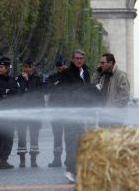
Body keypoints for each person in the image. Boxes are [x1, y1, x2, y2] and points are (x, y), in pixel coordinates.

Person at [55, 49, 101, 182]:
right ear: (72, 59)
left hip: (83, 113)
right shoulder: (66, 74)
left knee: (81, 143)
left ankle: (78, 169)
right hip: (70, 113)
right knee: (71, 142)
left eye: (81, 58)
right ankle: (70, 170)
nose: (79, 60)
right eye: (77, 58)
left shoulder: (85, 73)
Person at [0, 57, 19, 169]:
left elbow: (15, 92)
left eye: (1, 67)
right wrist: (6, 91)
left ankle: (5, 159)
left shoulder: (12, 80)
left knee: (8, 137)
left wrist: (4, 93)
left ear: (7, 69)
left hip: (9, 114)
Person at [15, 58, 45, 168]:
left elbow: (38, 95)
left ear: (32, 68)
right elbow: (18, 93)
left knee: (34, 137)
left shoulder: (37, 80)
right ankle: (22, 160)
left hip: (35, 113)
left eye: (29, 67)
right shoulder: (18, 79)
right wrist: (24, 81)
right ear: (22, 67)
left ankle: (33, 160)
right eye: (25, 67)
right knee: (21, 136)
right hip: (21, 113)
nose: (27, 69)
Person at [91, 53, 130, 125]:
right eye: (100, 63)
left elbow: (124, 96)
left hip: (115, 118)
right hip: (103, 117)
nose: (100, 65)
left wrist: (111, 109)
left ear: (110, 63)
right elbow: (93, 86)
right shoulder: (102, 75)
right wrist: (97, 72)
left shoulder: (121, 75)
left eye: (103, 63)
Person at [45, 56, 67, 167]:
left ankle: (70, 159)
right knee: (57, 136)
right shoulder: (52, 77)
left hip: (68, 111)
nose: (61, 68)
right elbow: (48, 89)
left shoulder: (70, 77)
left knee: (70, 136)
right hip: (56, 111)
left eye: (62, 65)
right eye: (59, 66)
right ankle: (57, 159)